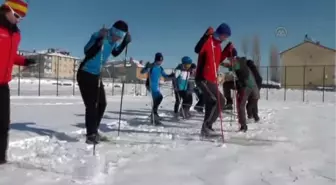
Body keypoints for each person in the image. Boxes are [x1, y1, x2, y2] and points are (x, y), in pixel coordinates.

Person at [77, 20, 131, 144]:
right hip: (85, 73)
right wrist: (97, 42)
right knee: (92, 105)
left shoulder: (113, 41)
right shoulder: (101, 35)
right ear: (113, 31)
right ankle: (91, 135)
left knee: (102, 103)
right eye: (119, 35)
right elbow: (87, 51)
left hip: (95, 76)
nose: (119, 38)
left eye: (122, 36)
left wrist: (125, 43)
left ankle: (94, 130)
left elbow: (115, 53)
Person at [0, 0, 36, 164]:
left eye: (21, 18)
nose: (18, 20)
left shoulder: (16, 34)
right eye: (16, 15)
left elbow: (10, 56)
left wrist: (25, 61)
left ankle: (1, 160)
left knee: (3, 124)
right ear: (6, 9)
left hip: (2, 85)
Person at [194, 23, 233, 136]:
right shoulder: (209, 41)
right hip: (203, 78)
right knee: (216, 101)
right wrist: (205, 36)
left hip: (212, 78)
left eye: (227, 37)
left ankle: (207, 128)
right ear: (220, 33)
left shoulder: (218, 45)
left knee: (216, 102)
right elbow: (197, 49)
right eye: (225, 36)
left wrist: (227, 50)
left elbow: (218, 60)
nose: (226, 38)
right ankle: (206, 127)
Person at [225, 49, 260, 132]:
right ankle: (229, 102)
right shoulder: (241, 61)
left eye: (229, 59)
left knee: (241, 105)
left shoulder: (238, 62)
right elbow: (232, 67)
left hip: (245, 86)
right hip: (248, 85)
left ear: (233, 57)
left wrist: (221, 63)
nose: (229, 60)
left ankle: (243, 126)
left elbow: (234, 66)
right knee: (226, 85)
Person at [141, 52, 174, 125]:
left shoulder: (160, 68)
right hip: (150, 85)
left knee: (158, 99)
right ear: (156, 60)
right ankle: (154, 115)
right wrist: (146, 67)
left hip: (156, 86)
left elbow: (165, 76)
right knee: (158, 98)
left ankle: (154, 114)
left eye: (161, 61)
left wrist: (171, 76)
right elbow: (142, 72)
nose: (160, 62)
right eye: (159, 61)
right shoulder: (151, 66)